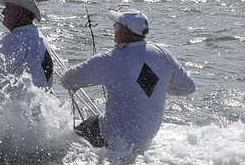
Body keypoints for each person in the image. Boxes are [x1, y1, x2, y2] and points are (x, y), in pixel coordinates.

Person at [61, 9, 195, 152]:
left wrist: (108, 76)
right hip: (144, 142)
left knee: (69, 140)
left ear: (126, 31)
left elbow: (66, 80)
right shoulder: (163, 54)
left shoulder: (111, 59)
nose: (114, 29)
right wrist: (156, 84)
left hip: (114, 138)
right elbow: (188, 87)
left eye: (116, 26)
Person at [0, 0, 58, 91]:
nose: (3, 12)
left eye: (7, 8)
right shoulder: (38, 36)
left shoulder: (16, 39)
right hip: (41, 101)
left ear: (18, 12)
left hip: (20, 104)